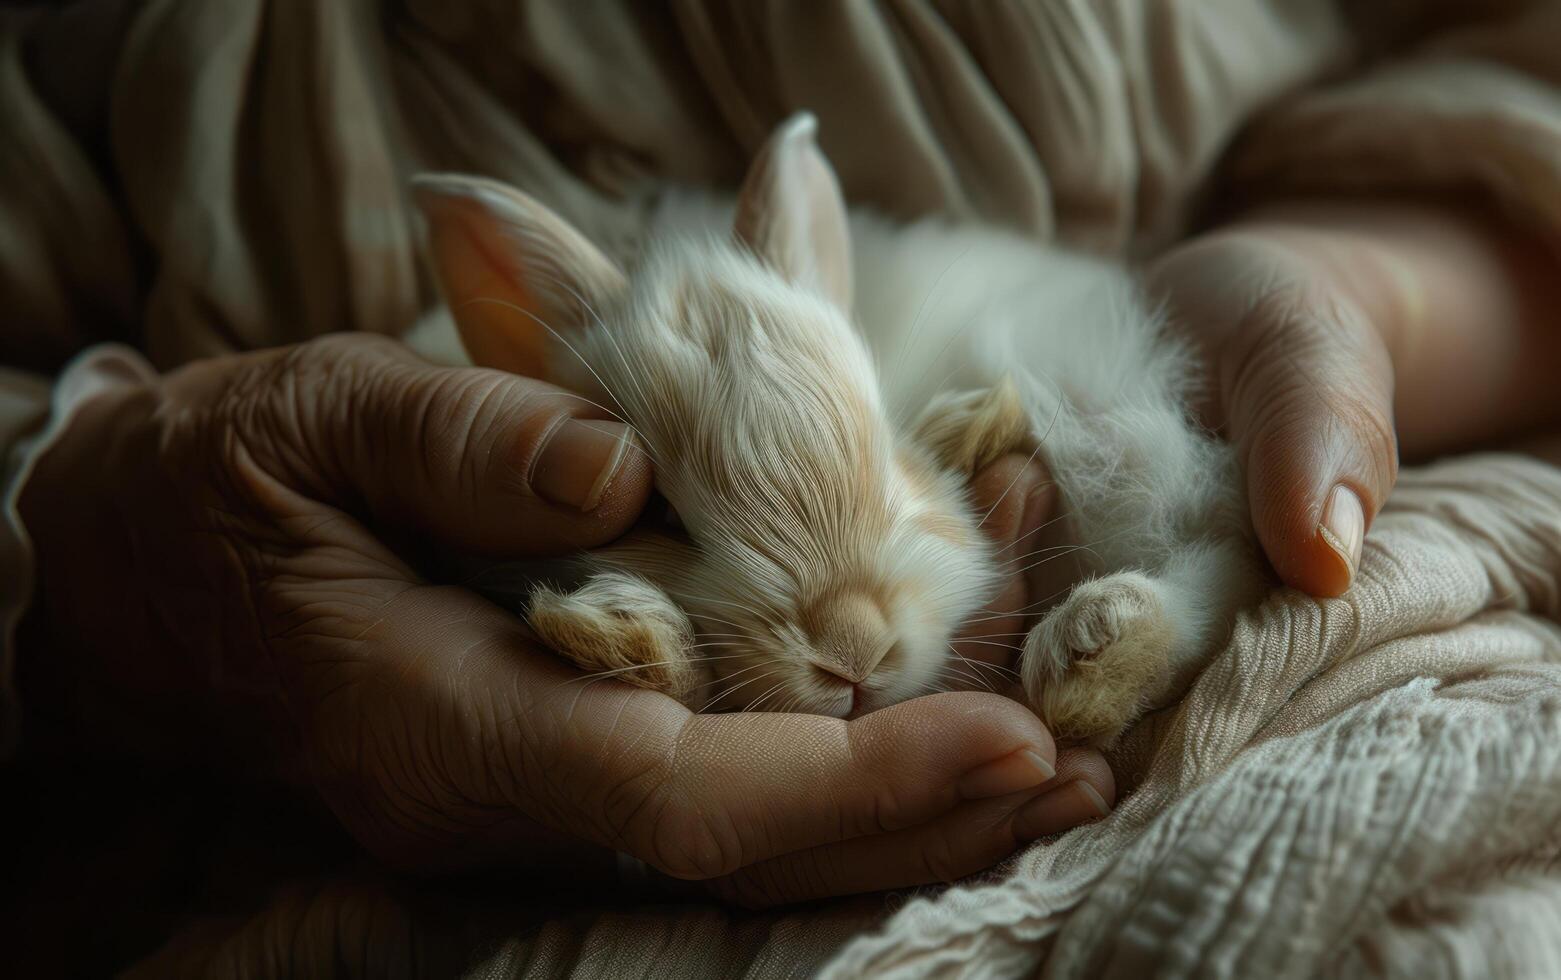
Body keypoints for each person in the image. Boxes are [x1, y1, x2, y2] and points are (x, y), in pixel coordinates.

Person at [4, 0, 1561, 942]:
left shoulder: (875, 307)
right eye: (678, 515)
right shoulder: (518, 371)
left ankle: (1178, 593)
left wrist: (1373, 292)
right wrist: (92, 539)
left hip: (1389, 467)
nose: (850, 640)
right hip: (255, 840)